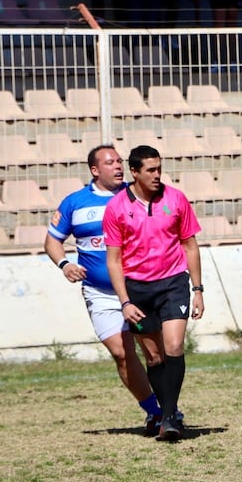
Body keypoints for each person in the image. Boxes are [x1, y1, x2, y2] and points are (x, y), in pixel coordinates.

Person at [44, 145, 165, 436]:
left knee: (156, 355)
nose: (118, 166)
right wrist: (64, 264)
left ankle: (169, 407)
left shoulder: (136, 196)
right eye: (110, 163)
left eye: (120, 161)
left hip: (139, 289)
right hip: (100, 293)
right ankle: (155, 411)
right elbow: (52, 241)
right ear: (95, 170)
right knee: (122, 354)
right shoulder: (75, 202)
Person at [103, 145, 204, 442]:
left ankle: (169, 417)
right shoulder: (117, 207)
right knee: (154, 356)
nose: (157, 175)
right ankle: (166, 413)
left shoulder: (176, 199)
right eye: (150, 170)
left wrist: (197, 289)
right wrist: (125, 301)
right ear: (134, 172)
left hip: (173, 283)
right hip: (137, 289)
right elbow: (114, 260)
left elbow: (190, 246)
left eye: (159, 168)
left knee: (173, 347)